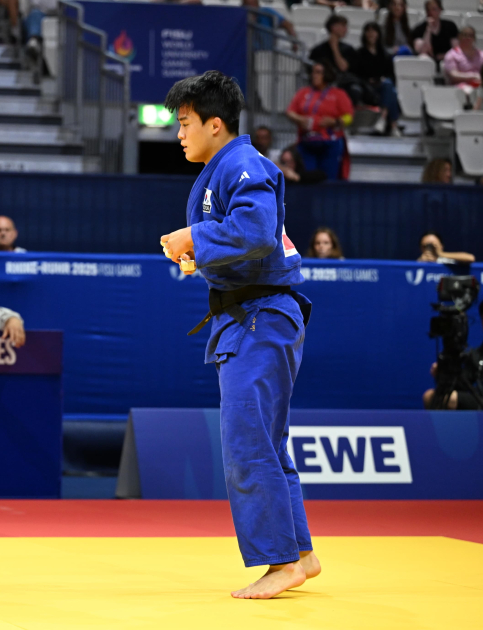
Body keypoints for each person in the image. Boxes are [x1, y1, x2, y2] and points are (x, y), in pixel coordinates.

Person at [160, 70, 318, 600]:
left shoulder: (243, 164)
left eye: (185, 124)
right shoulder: (223, 168)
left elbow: (254, 231)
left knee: (248, 441)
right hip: (254, 314)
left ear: (215, 123)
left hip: (262, 317)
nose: (179, 134)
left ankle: (279, 562)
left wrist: (193, 237)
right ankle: (300, 553)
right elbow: (251, 244)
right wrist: (200, 258)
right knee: (267, 442)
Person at [286, 62, 353, 180]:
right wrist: (299, 119)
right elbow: (290, 111)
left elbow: (349, 117)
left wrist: (334, 121)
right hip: (307, 142)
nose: (314, 75)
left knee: (329, 180)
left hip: (330, 143)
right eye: (313, 72)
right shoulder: (303, 92)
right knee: (307, 179)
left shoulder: (338, 94)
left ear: (326, 74)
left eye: (318, 72)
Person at [422, 305, 483, 410]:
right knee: (430, 396)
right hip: (478, 399)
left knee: (451, 399)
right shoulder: (477, 354)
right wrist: (443, 371)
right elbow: (461, 385)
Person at [354, 22, 401, 136]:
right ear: (365, 34)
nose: (371, 34)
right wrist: (368, 81)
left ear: (378, 34)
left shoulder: (385, 54)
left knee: (389, 85)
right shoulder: (359, 53)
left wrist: (382, 80)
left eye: (374, 31)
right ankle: (393, 125)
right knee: (392, 93)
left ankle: (382, 118)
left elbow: (391, 75)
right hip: (367, 88)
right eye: (368, 31)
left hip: (382, 86)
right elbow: (356, 74)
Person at [309, 15, 357, 80]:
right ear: (333, 27)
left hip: (343, 84)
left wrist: (334, 48)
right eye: (343, 26)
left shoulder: (348, 49)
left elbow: (343, 68)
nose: (346, 29)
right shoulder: (318, 50)